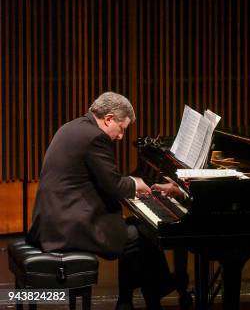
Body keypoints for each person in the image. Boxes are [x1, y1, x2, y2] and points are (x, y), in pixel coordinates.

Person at [27, 92, 176, 310]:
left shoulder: (75, 127)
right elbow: (114, 185)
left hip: (53, 221)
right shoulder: (95, 138)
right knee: (141, 234)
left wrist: (131, 184)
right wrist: (136, 184)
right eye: (122, 128)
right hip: (66, 228)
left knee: (136, 229)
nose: (121, 136)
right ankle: (154, 290)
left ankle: (133, 298)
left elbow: (100, 181)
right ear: (108, 119)